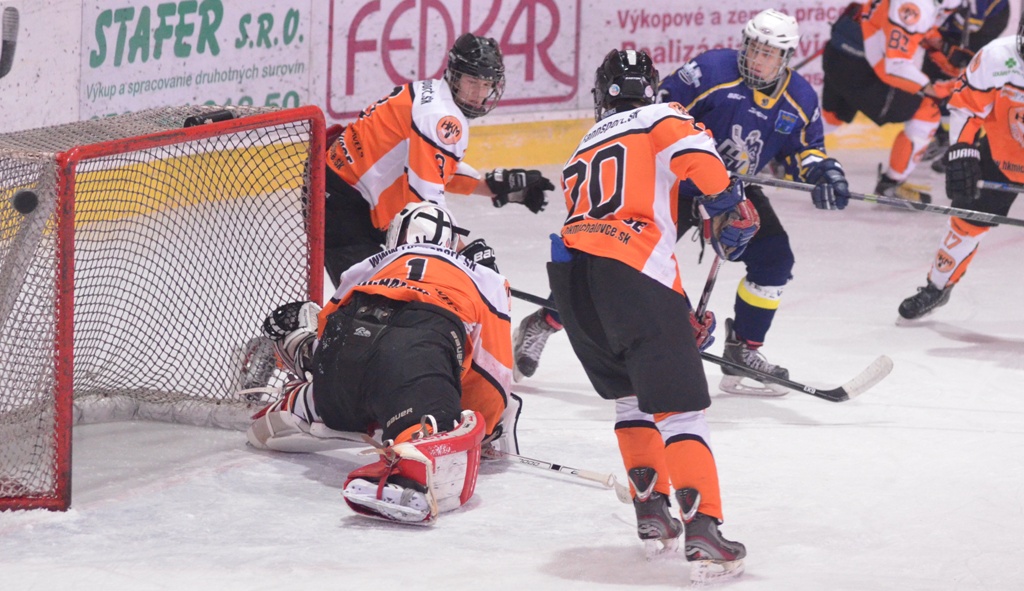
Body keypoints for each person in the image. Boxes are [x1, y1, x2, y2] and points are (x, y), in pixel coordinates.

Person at [513, 10, 852, 396]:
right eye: (754, 48)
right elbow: (652, 112)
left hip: (734, 188)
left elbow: (806, 151)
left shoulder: (800, 98)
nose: (758, 59)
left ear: (786, 57)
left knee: (775, 259)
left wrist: (826, 174)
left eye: (769, 53)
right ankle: (545, 321)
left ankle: (743, 348)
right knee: (619, 259)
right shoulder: (710, 70)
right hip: (676, 182)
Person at [548, 48, 753, 579]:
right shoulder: (661, 116)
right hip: (631, 273)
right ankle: (703, 529)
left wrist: (675, 312)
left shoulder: (584, 145)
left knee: (631, 397)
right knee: (681, 411)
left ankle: (653, 512)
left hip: (572, 284)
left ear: (603, 95)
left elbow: (607, 233)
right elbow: (702, 164)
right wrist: (729, 201)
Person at [246, 202, 518, 525]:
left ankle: (301, 402)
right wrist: (482, 423)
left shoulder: (366, 265)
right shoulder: (486, 278)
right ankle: (409, 457)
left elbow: (326, 333)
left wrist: (319, 373)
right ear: (451, 240)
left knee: (343, 374)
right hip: (415, 351)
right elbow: (494, 372)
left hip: (343, 355)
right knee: (430, 424)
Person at [323, 32, 554, 287]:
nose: (479, 92)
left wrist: (492, 187)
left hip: (347, 194)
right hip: (343, 206)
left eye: (486, 84)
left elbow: (431, 168)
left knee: (390, 296)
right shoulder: (441, 118)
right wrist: (466, 252)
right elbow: (425, 205)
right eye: (472, 81)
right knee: (368, 301)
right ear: (455, 76)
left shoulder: (432, 94)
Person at [898, 13, 1024, 320]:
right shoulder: (997, 56)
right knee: (966, 223)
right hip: (1000, 156)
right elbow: (966, 106)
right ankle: (937, 286)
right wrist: (962, 152)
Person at [823, 0, 963, 203]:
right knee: (927, 111)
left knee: (832, 116)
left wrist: (940, 46)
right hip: (863, 70)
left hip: (840, 53)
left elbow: (902, 27)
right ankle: (891, 184)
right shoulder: (915, 6)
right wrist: (936, 89)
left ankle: (781, 153)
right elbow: (894, 67)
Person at [921, 0, 1011, 172]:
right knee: (929, 79)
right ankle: (942, 137)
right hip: (958, 28)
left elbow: (972, 23)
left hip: (982, 28)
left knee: (969, 88)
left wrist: (940, 38)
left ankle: (965, 150)